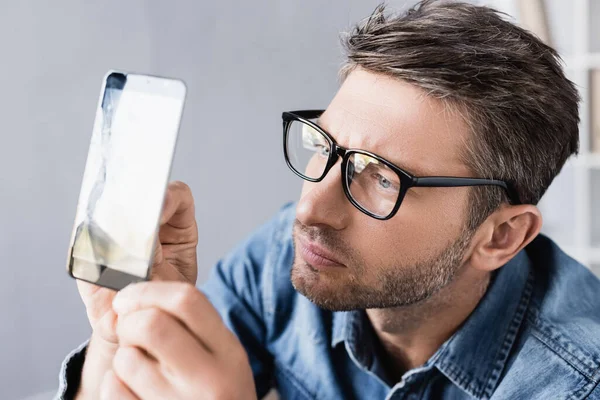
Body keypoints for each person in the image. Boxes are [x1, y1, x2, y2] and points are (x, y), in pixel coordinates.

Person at [56, 1, 600, 399]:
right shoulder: (286, 255)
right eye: (324, 146)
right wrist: (120, 331)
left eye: (381, 178)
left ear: (500, 235)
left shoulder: (576, 382)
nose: (309, 211)